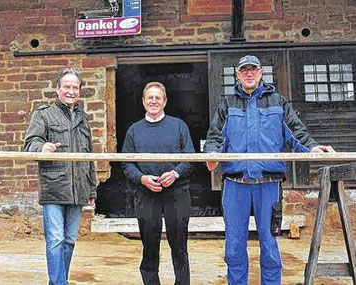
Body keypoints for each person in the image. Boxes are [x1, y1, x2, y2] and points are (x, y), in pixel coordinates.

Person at [204, 55, 335, 285]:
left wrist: (312, 148)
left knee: (269, 245)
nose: (249, 74)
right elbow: (215, 137)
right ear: (237, 74)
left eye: (253, 69)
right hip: (236, 185)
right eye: (244, 70)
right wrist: (212, 154)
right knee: (234, 246)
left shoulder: (277, 101)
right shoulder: (227, 104)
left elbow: (296, 132)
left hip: (269, 185)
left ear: (261, 72)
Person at [23, 68, 96, 285]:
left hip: (78, 187)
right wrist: (41, 147)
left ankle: (57, 281)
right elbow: (30, 143)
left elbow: (89, 154)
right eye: (67, 87)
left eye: (75, 87)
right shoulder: (43, 114)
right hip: (54, 185)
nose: (71, 91)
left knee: (70, 241)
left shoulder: (83, 119)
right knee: (55, 240)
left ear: (80, 92)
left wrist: (91, 188)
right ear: (58, 89)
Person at [122, 82, 195, 285]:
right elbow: (127, 163)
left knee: (179, 244)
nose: (154, 101)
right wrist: (142, 179)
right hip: (146, 193)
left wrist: (175, 173)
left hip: (177, 192)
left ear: (165, 102)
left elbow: (190, 158)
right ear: (143, 102)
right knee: (149, 246)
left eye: (158, 98)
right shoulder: (134, 130)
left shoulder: (178, 126)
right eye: (150, 98)